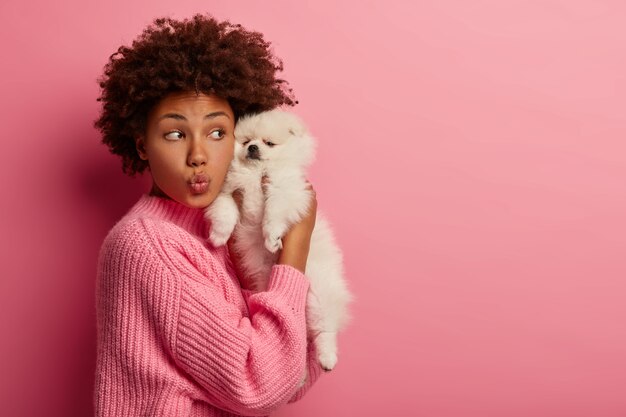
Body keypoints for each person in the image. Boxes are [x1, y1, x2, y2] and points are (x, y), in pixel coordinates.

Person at [93, 14, 324, 416]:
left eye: (218, 133)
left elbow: (293, 379)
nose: (199, 155)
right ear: (142, 145)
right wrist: (296, 247)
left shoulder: (219, 229)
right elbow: (259, 385)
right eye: (176, 134)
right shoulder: (149, 245)